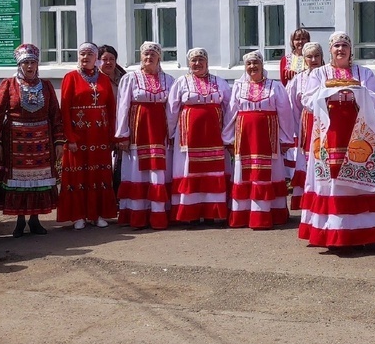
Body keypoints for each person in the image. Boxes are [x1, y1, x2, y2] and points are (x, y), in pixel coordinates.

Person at [297, 32, 375, 249]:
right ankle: (332, 232)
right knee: (333, 178)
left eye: (344, 46)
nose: (340, 49)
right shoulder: (319, 73)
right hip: (331, 130)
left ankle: (361, 233)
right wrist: (328, 93)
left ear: (350, 50)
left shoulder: (363, 72)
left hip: (358, 130)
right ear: (330, 50)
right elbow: (307, 99)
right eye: (336, 46)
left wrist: (357, 92)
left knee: (358, 177)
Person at [0, 43, 64, 238]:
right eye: (26, 63)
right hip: (15, 141)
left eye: (33, 62)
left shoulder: (46, 86)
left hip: (42, 141)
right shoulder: (8, 85)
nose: (30, 67)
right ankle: (20, 220)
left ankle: (35, 220)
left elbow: (55, 115)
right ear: (19, 65)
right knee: (18, 181)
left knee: (37, 180)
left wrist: (58, 141)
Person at [224, 51, 295, 228]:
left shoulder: (275, 87)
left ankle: (267, 214)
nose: (252, 67)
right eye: (249, 64)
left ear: (262, 65)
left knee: (268, 172)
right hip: (245, 138)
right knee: (245, 172)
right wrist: (228, 138)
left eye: (256, 63)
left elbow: (285, 113)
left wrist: (286, 139)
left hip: (267, 138)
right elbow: (231, 113)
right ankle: (244, 215)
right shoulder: (239, 87)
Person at [167, 47, 231, 224]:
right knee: (190, 170)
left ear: (207, 62)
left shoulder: (220, 82)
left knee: (212, 171)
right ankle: (191, 214)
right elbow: (172, 110)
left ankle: (212, 213)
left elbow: (229, 107)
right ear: (189, 63)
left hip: (214, 135)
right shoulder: (181, 82)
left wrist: (228, 133)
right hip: (189, 136)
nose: (197, 63)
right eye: (194, 60)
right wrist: (171, 133)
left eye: (200, 59)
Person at [58, 42, 117, 229]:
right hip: (78, 135)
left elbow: (111, 109)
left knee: (99, 174)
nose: (85, 58)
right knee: (78, 175)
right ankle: (78, 215)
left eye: (89, 54)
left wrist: (112, 135)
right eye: (82, 54)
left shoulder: (104, 79)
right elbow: (64, 110)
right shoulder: (70, 78)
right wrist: (70, 137)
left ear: (95, 58)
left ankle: (97, 214)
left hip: (99, 136)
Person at [115, 42, 174, 229]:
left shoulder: (169, 80)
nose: (149, 58)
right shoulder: (130, 78)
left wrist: (172, 132)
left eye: (152, 55)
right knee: (136, 170)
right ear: (141, 57)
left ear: (159, 58)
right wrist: (122, 134)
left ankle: (157, 214)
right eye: (145, 55)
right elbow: (123, 107)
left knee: (157, 171)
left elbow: (172, 109)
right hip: (137, 132)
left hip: (159, 132)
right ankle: (137, 215)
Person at [286, 41, 324, 210]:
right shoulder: (297, 80)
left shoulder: (329, 74)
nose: (313, 59)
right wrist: (296, 131)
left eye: (317, 55)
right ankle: (307, 201)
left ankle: (323, 198)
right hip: (307, 123)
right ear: (304, 59)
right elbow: (292, 107)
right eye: (309, 56)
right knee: (307, 160)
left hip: (327, 123)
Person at [98, 45, 126, 194]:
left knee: (120, 163)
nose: (108, 63)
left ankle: (118, 195)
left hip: (120, 125)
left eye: (112, 59)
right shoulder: (94, 80)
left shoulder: (124, 78)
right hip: (100, 126)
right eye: (104, 59)